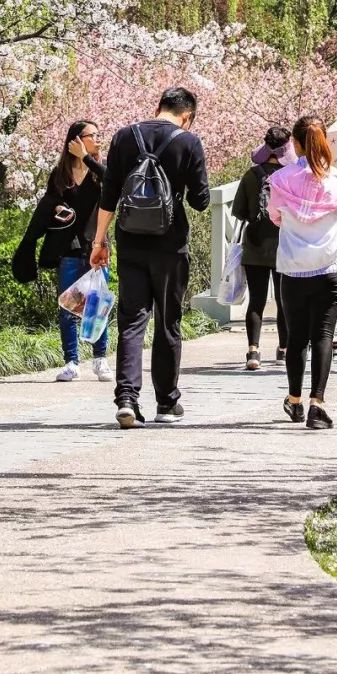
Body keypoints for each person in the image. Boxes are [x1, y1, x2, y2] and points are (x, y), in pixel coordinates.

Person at [91, 86, 210, 429]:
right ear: (187, 116)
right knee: (168, 320)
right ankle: (167, 402)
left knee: (131, 320)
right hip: (171, 245)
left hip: (130, 241)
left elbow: (109, 194)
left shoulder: (125, 136)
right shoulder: (189, 142)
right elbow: (201, 200)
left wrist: (99, 241)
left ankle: (127, 398)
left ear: (159, 107)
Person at [267, 114, 337, 430]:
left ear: (295, 144)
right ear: (324, 142)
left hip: (293, 269)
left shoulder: (281, 180)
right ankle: (316, 405)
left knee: (296, 337)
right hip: (330, 268)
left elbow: (274, 216)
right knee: (323, 335)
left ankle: (294, 400)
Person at [12, 120, 112, 381]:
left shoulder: (99, 171)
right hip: (70, 248)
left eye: (99, 135)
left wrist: (86, 158)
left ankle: (100, 359)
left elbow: (113, 182)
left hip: (97, 247)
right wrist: (56, 208)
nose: (98, 139)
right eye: (93, 135)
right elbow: (49, 204)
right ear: (76, 140)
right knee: (68, 306)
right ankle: (71, 361)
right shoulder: (60, 175)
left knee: (96, 304)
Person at [231, 124, 291, 370]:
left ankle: (253, 351)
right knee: (284, 300)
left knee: (256, 300)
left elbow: (239, 211)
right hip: (284, 245)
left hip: (255, 244)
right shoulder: (291, 176)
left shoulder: (251, 175)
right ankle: (284, 349)